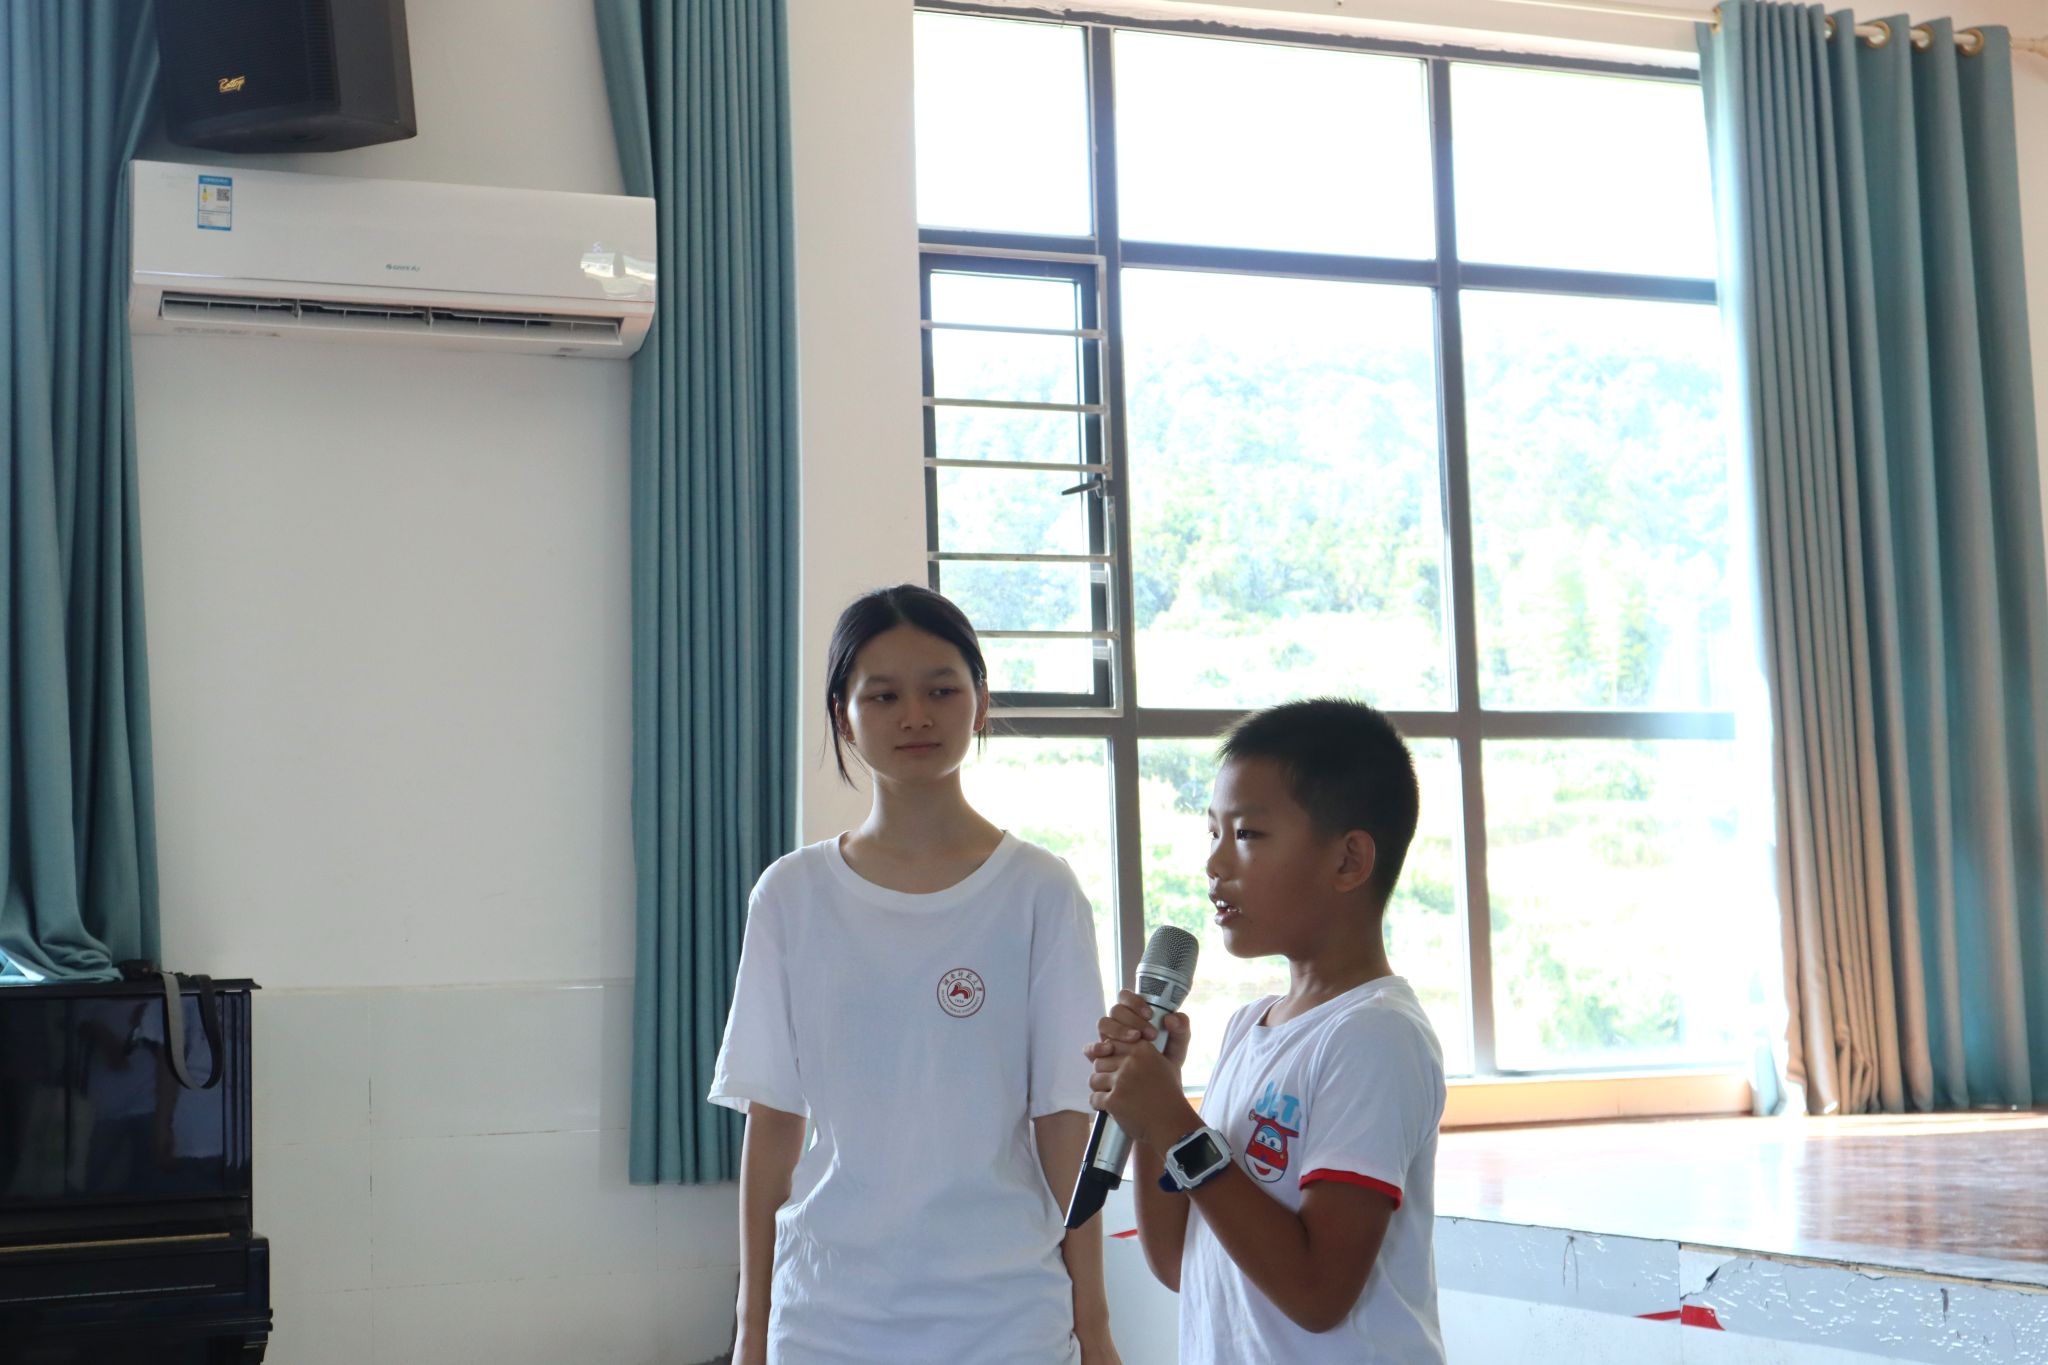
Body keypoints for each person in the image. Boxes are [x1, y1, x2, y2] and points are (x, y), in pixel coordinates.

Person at [710, 585, 1118, 1365]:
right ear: (843, 715)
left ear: (981, 702)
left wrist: (1094, 1325)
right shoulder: (791, 895)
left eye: (941, 689)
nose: (915, 716)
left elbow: (1066, 1121)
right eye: (883, 695)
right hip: (829, 1314)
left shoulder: (1040, 890)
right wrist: (751, 1328)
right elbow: (773, 1124)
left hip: (1007, 1314)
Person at [1085, 698, 1446, 1364]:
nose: (1215, 863)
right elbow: (1179, 1258)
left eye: (1247, 833)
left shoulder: (1374, 1036)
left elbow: (1318, 1293)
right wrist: (1153, 1110)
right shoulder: (1249, 1027)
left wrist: (1173, 1123)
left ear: (1349, 861)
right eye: (1213, 833)